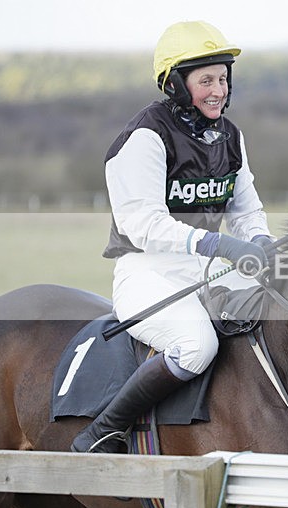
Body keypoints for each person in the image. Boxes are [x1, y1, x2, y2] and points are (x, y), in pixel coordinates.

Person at [72, 21, 274, 453]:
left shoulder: (231, 135)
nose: (218, 89)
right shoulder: (144, 137)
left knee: (276, 308)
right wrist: (219, 246)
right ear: (177, 85)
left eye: (222, 78)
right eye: (206, 81)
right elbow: (142, 224)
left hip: (207, 267)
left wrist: (260, 240)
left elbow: (246, 207)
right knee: (196, 345)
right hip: (146, 271)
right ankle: (104, 429)